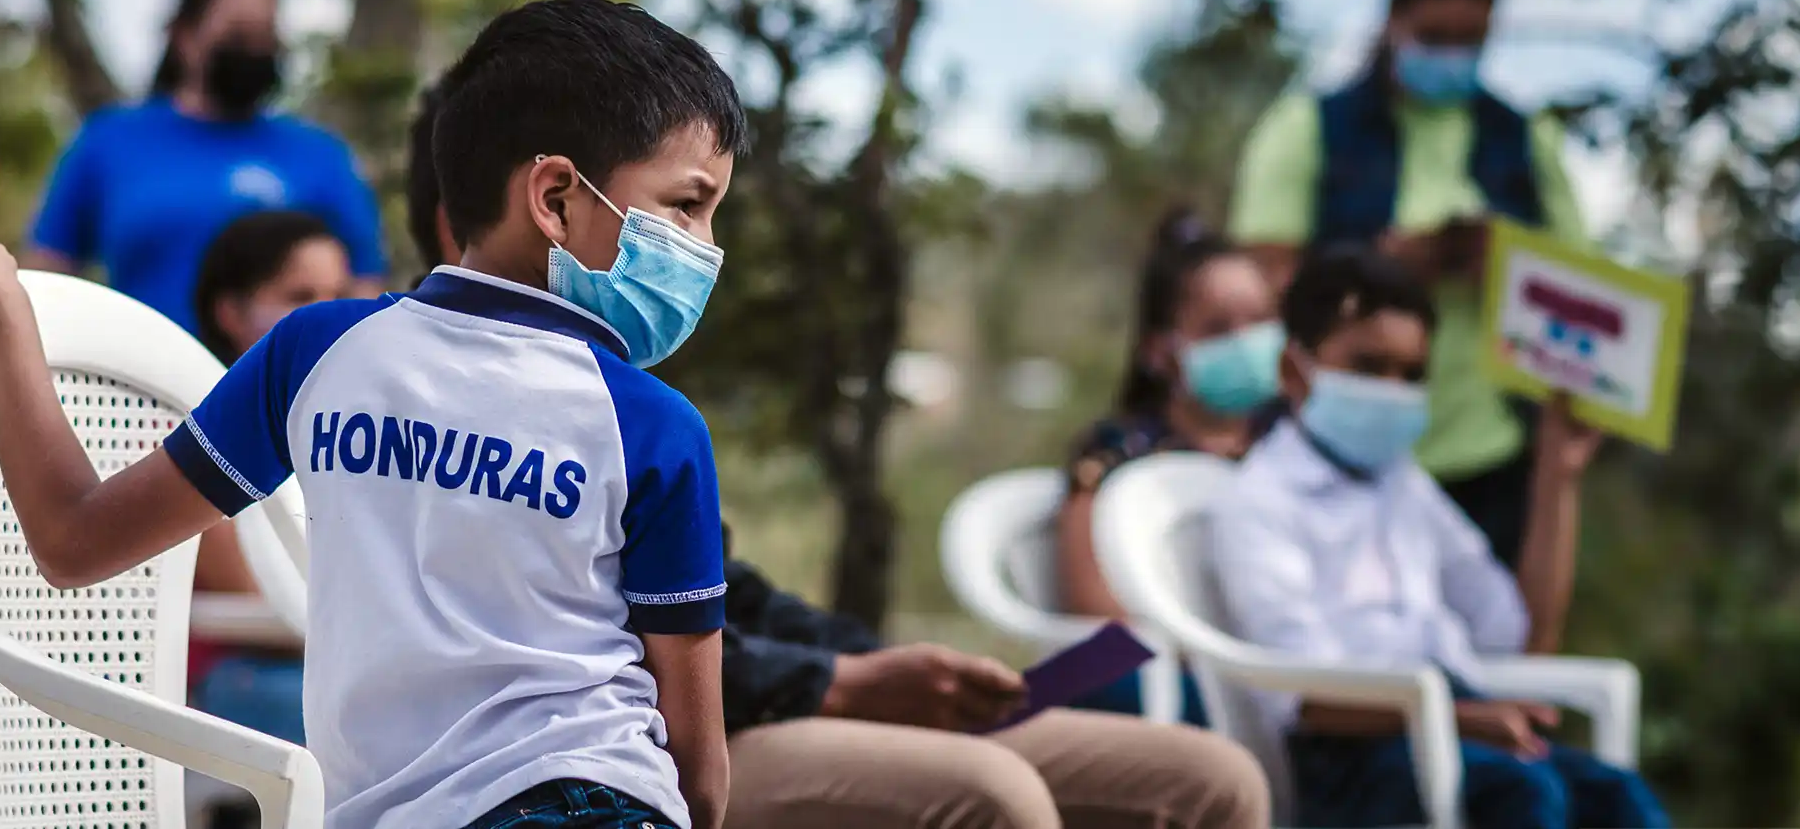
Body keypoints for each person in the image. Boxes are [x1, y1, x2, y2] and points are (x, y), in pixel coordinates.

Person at [0, 0, 744, 829]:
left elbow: (75, 540)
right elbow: (699, 776)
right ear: (555, 197)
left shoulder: (318, 353)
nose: (705, 248)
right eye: (687, 204)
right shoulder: (654, 428)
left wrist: (6, 321)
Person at [406, 84, 1272, 829]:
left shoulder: (626, 407)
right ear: (537, 203)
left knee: (1210, 779)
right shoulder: (408, 414)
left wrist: (881, 663)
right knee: (988, 795)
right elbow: (585, 649)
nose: (701, 250)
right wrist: (841, 681)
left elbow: (725, 591)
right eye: (681, 208)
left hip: (779, 691)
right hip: (656, 746)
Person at [1209, 247, 1660, 829]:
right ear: (1294, 372)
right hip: (1351, 759)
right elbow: (1302, 697)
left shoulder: (1406, 488)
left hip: (1453, 720)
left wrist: (1557, 476)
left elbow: (1521, 634)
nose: (1393, 389)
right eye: (1369, 367)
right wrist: (1453, 716)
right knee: (1524, 795)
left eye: (1412, 374)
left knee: (1614, 797)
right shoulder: (1260, 499)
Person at [1229, 0, 1593, 569]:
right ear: (1393, 19)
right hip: (1340, 452)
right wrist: (1381, 271)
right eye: (1434, 36)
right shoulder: (1309, 127)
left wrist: (1507, 266)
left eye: (1470, 40)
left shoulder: (1527, 139)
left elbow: (1586, 294)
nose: (1452, 54)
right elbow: (1262, 283)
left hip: (1492, 456)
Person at [25, 0, 386, 332]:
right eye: (237, 34)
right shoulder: (109, 142)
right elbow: (48, 276)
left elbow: (364, 286)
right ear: (184, 37)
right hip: (143, 381)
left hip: (285, 387)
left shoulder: (318, 155)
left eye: (266, 36)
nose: (254, 51)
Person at [1054, 211, 1282, 721]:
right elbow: (1097, 619)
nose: (1247, 342)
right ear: (1160, 350)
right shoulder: (1115, 456)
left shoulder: (1292, 452)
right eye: (1219, 328)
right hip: (1163, 678)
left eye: (1262, 320)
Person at [185, 209, 353, 751]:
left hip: (330, 669)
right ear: (231, 311)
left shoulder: (348, 429)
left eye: (340, 294)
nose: (328, 316)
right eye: (301, 296)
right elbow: (259, 601)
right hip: (229, 679)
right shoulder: (189, 427)